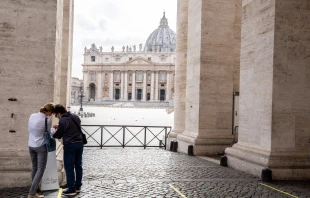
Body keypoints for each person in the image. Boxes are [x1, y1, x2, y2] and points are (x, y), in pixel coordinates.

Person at [52, 104, 84, 196]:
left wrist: (54, 132)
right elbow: (72, 128)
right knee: (78, 165)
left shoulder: (63, 120)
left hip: (70, 145)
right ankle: (78, 186)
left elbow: (58, 135)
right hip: (80, 143)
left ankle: (71, 189)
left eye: (56, 115)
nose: (56, 116)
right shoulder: (75, 116)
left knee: (69, 167)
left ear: (58, 113)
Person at [27, 102, 55, 198]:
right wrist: (54, 129)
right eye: (52, 113)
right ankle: (32, 193)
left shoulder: (32, 116)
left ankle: (36, 188)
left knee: (35, 167)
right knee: (40, 169)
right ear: (49, 111)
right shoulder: (47, 120)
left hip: (31, 144)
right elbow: (48, 133)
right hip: (41, 145)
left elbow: (29, 129)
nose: (52, 115)